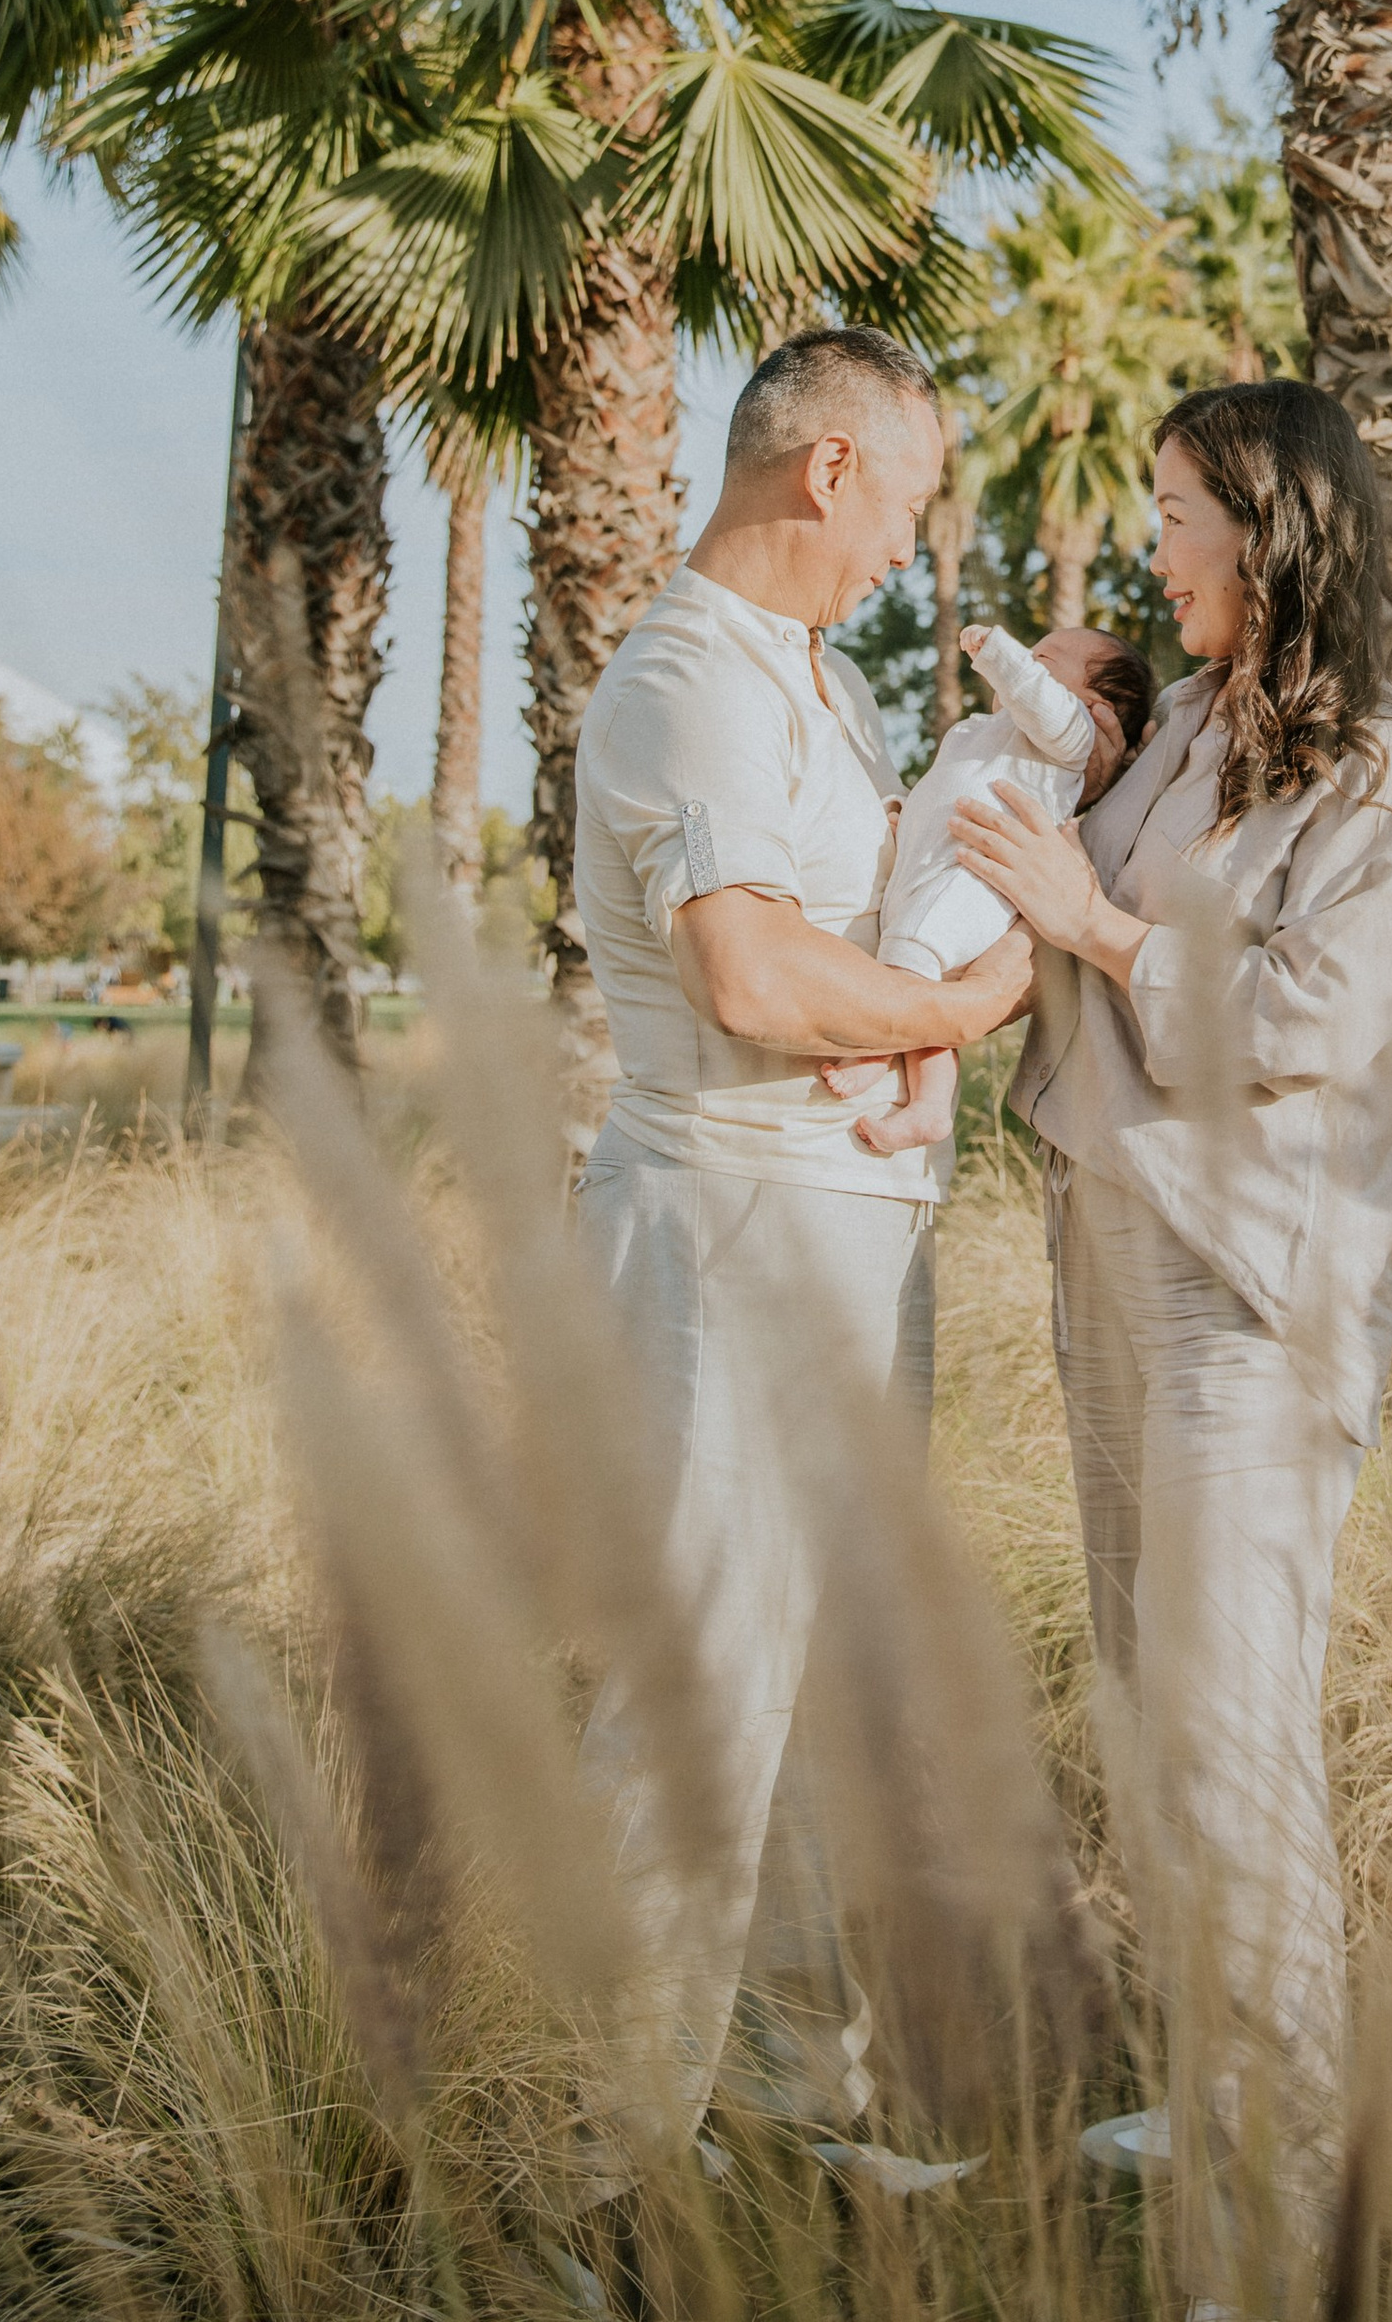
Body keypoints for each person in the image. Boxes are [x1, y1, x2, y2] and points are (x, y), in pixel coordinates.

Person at [956, 381, 1392, 2314]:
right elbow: (1030, 882)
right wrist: (1076, 729)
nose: (1149, 543)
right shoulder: (1182, 728)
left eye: (1175, 511)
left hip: (1255, 1293)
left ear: (1269, 534)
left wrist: (1101, 930)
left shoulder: (1391, 778)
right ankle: (1220, 2099)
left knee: (1232, 1723)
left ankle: (1280, 2220)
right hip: (1108, 1247)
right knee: (1147, 1688)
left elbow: (1318, 1015)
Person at [568, 324, 1033, 2118]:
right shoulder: (690, 680)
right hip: (732, 1235)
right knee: (702, 1688)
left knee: (836, 1683)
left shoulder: (822, 682)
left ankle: (787, 2109)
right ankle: (603, 2167)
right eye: (907, 501)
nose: (912, 544)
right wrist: (973, 1009)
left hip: (854, 1232)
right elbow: (753, 977)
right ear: (829, 469)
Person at [859, 623, 1154, 1155]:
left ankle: (891, 1068)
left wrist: (996, 650)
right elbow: (944, 788)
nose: (1028, 659)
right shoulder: (985, 731)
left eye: (1045, 660)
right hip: (941, 866)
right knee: (915, 969)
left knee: (909, 957)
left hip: (977, 879)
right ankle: (911, 1079)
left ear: (1095, 708)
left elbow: (1045, 703)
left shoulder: (1070, 735)